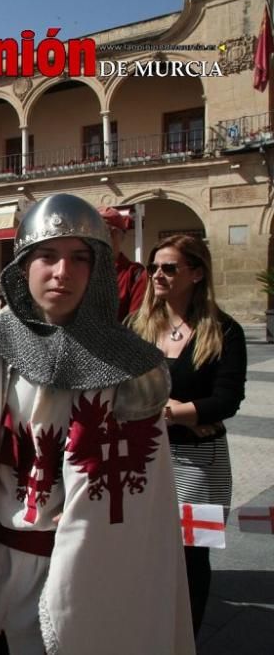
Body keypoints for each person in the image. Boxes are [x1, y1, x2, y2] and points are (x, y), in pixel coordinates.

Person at [0, 194, 194, 654]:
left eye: (78, 258)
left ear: (97, 271)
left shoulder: (133, 371)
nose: (62, 272)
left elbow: (139, 514)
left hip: (86, 568)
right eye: (47, 256)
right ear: (23, 264)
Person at [129, 234, 247, 635]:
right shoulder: (137, 326)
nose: (158, 275)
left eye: (169, 268)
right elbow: (120, 388)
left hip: (198, 461)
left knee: (191, 555)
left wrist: (166, 411)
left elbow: (226, 400)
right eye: (153, 267)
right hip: (143, 455)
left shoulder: (223, 331)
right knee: (145, 549)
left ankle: (186, 636)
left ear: (196, 273)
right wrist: (182, 413)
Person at [99, 206, 148, 321]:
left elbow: (134, 325)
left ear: (114, 234)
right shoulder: (82, 270)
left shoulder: (135, 275)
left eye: (96, 231)